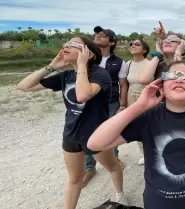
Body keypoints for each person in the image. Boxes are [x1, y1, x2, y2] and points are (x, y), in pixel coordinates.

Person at [87, 61, 185, 209]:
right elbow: (95, 143)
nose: (179, 79)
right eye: (171, 76)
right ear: (161, 85)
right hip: (156, 203)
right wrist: (139, 106)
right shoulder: (149, 118)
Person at [16, 37, 127, 209]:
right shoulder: (66, 76)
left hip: (96, 134)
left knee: (112, 166)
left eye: (73, 44)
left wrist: (82, 65)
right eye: (65, 44)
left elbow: (83, 95)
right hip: (71, 133)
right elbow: (23, 86)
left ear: (88, 53)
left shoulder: (100, 74)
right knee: (74, 179)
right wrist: (51, 66)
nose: (65, 46)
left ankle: (120, 195)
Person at [82, 26, 127, 187]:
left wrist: (122, 104)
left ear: (112, 41)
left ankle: (113, 159)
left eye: (102, 35)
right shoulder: (88, 58)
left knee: (112, 132)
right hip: (90, 102)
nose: (97, 36)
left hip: (111, 102)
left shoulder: (120, 62)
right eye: (96, 34)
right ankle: (89, 168)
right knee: (88, 133)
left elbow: (123, 84)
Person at [126, 38, 150, 165]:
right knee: (136, 127)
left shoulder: (150, 63)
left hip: (145, 97)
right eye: (132, 44)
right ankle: (144, 154)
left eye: (137, 44)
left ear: (144, 49)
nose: (133, 45)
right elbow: (124, 84)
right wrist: (123, 103)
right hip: (131, 97)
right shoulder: (128, 63)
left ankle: (153, 152)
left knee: (148, 127)